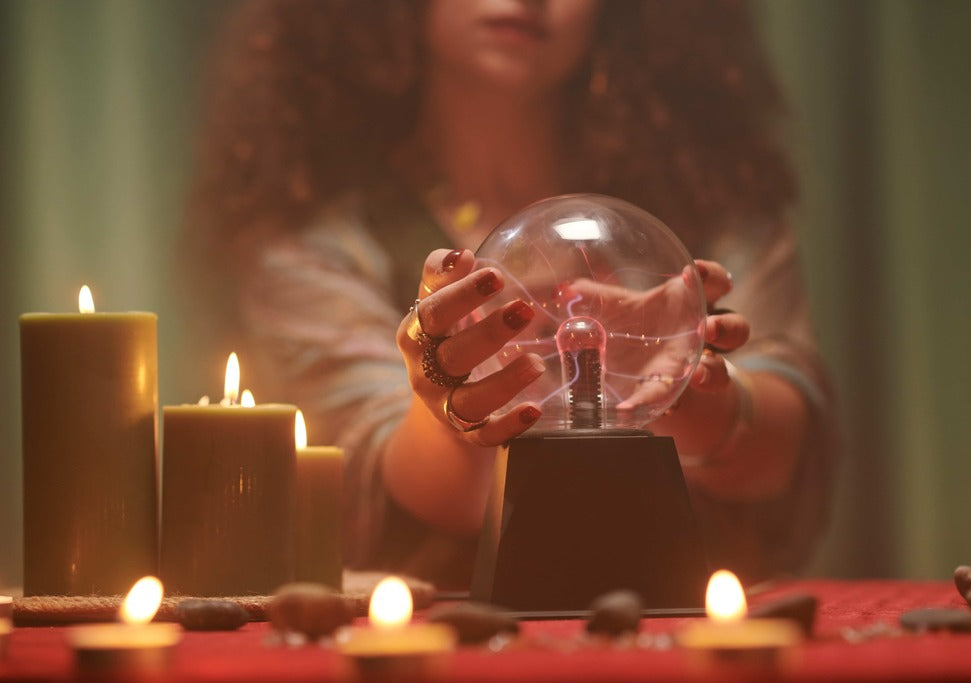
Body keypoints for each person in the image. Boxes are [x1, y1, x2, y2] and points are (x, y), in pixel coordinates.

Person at [185, 0, 839, 589]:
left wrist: (689, 390)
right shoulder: (320, 243)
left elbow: (781, 445)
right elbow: (382, 472)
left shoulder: (712, 205)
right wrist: (455, 400)